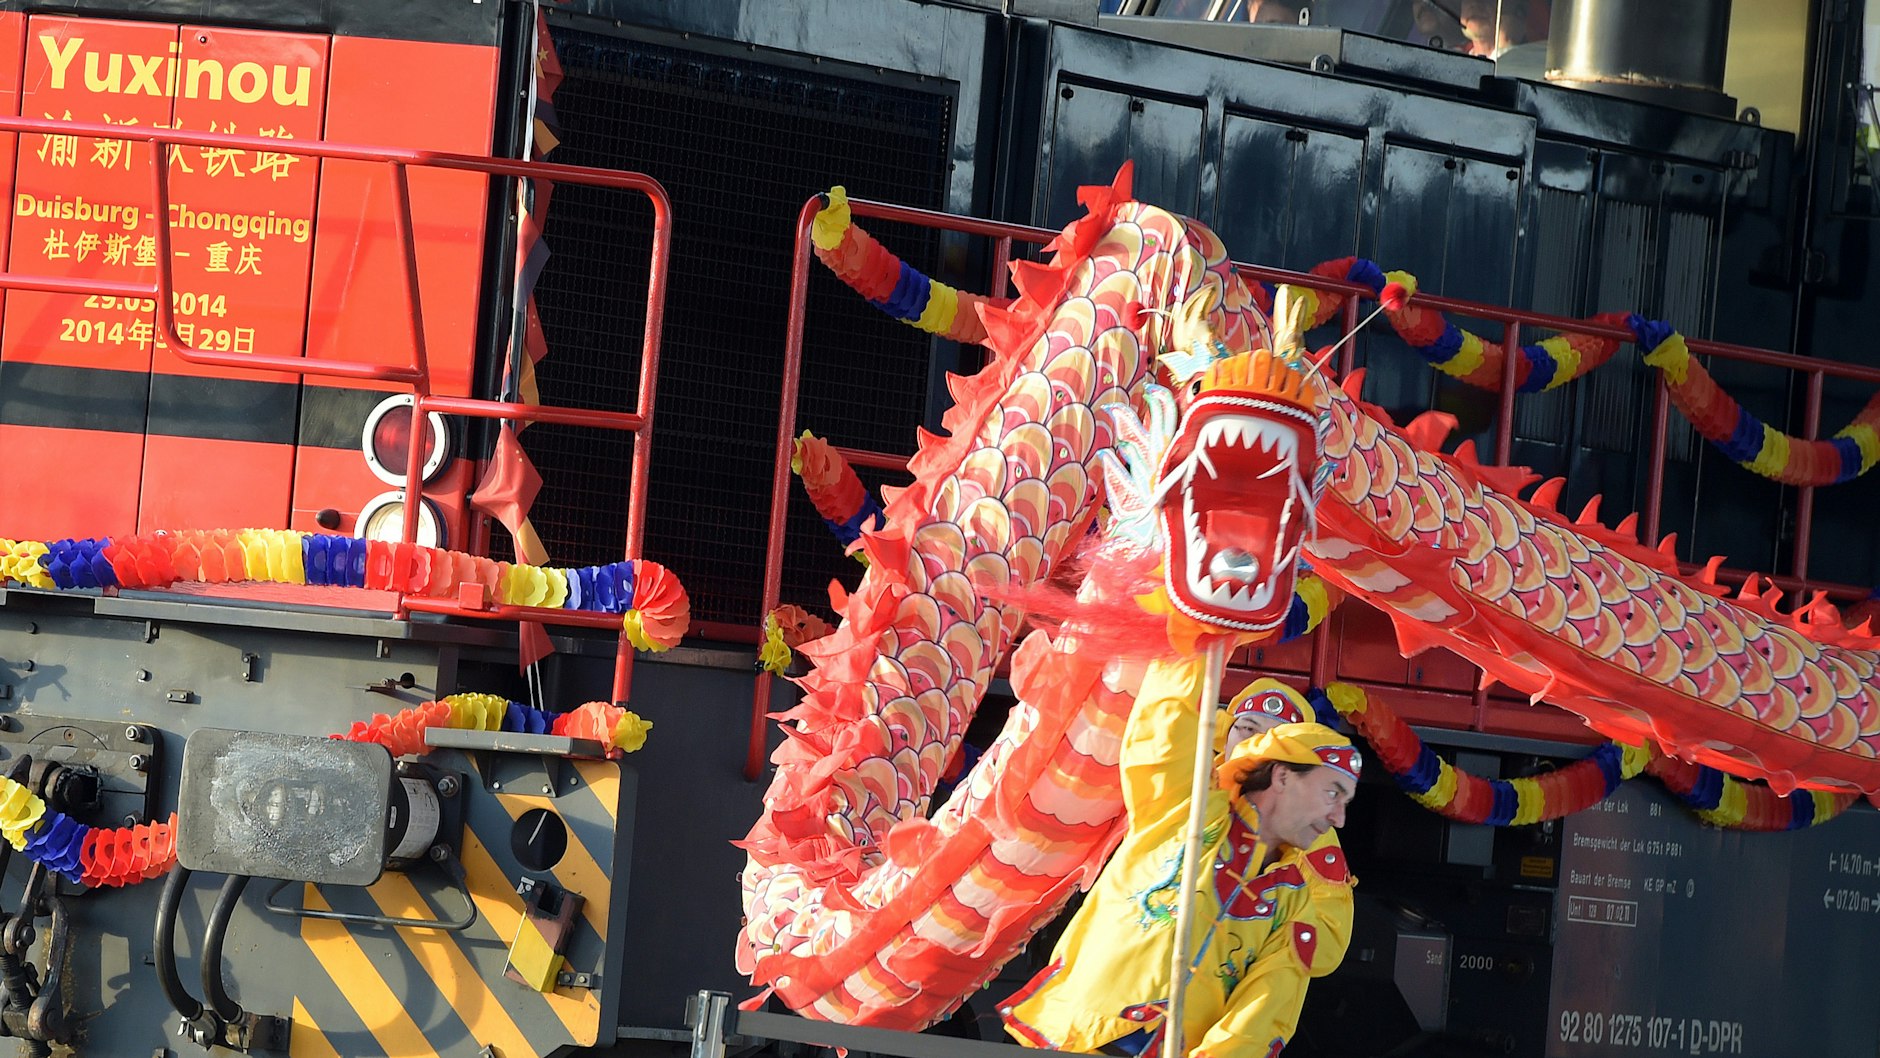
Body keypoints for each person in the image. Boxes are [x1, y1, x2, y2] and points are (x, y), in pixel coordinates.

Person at [1001, 660, 1359, 1058]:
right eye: (1332, 794)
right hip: (1078, 1035)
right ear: (1282, 775)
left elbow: (1262, 1014)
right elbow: (1164, 728)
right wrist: (1192, 644)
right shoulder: (1189, 807)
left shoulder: (1293, 896)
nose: (1340, 817)